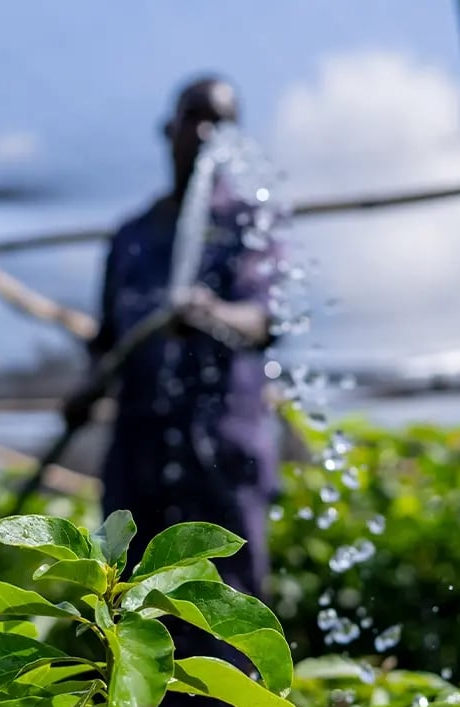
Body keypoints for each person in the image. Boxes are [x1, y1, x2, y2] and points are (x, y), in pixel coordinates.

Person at [63, 75, 282, 609]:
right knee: (127, 595)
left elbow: (263, 320)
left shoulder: (248, 223)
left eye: (222, 122)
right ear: (170, 129)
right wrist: (87, 389)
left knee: (227, 603)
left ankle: (234, 695)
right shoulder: (131, 237)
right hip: (139, 449)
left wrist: (211, 312)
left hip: (222, 449)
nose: (206, 132)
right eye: (196, 117)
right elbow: (109, 339)